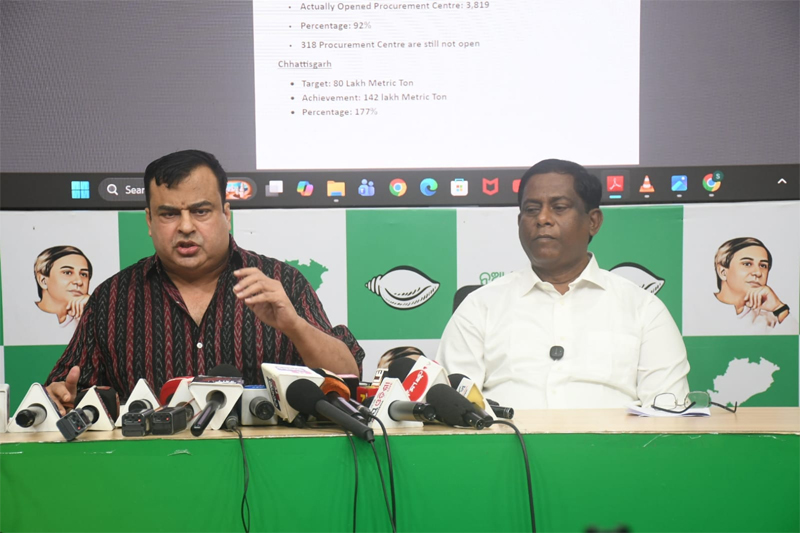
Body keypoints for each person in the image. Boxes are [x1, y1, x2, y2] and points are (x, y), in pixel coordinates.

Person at [46, 150, 364, 413]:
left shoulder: (282, 282)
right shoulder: (112, 297)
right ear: (149, 220)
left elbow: (347, 378)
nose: (186, 227)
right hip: (149, 464)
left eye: (201, 211)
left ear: (226, 214)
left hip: (264, 463)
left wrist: (294, 325)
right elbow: (64, 390)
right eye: (169, 214)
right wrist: (60, 396)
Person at [436, 159, 689, 409]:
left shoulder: (643, 309)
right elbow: (452, 409)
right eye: (531, 210)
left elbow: (667, 412)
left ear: (593, 221)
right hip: (506, 436)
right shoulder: (480, 307)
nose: (542, 219)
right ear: (519, 221)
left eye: (559, 207)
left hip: (613, 438)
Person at [713, 237, 794, 333]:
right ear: (722, 272)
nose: (758, 273)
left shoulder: (773, 319)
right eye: (747, 264)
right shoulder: (700, 309)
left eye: (763, 265)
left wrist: (779, 308)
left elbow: (795, 341)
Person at [34, 245, 93, 326]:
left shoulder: (92, 316)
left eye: (83, 274)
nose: (79, 281)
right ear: (43, 281)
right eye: (67, 272)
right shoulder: (22, 315)